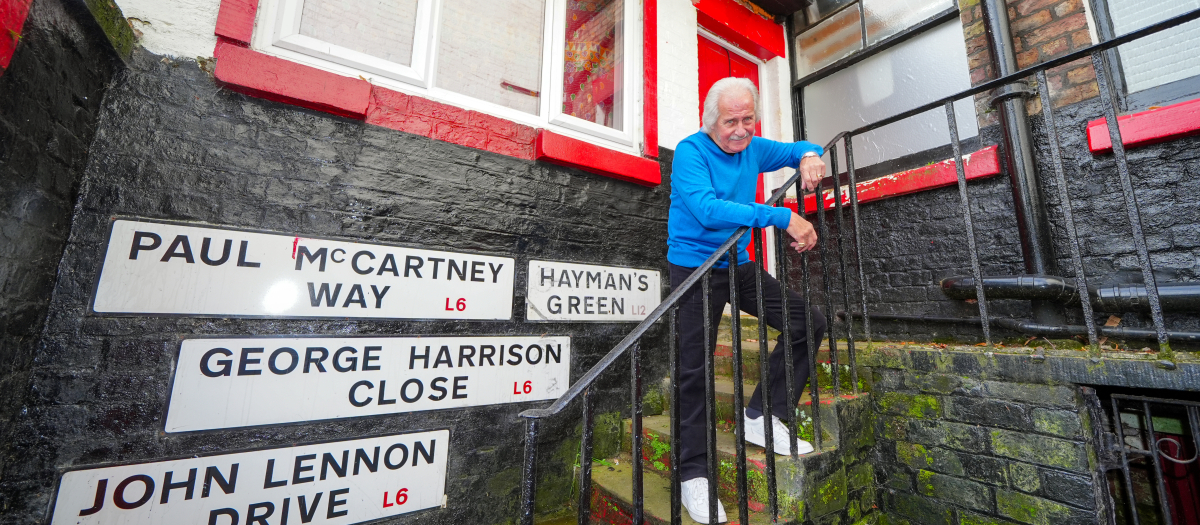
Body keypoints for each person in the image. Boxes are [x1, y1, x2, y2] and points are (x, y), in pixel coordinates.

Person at [668, 77, 828, 523]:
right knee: (694, 371)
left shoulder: (754, 147)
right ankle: (694, 477)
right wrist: (780, 215)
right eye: (730, 121)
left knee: (808, 322)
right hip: (695, 270)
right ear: (710, 122)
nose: (740, 130)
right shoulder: (691, 152)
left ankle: (761, 415)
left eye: (747, 120)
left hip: (737, 266)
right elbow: (707, 208)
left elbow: (797, 147)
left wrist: (810, 154)